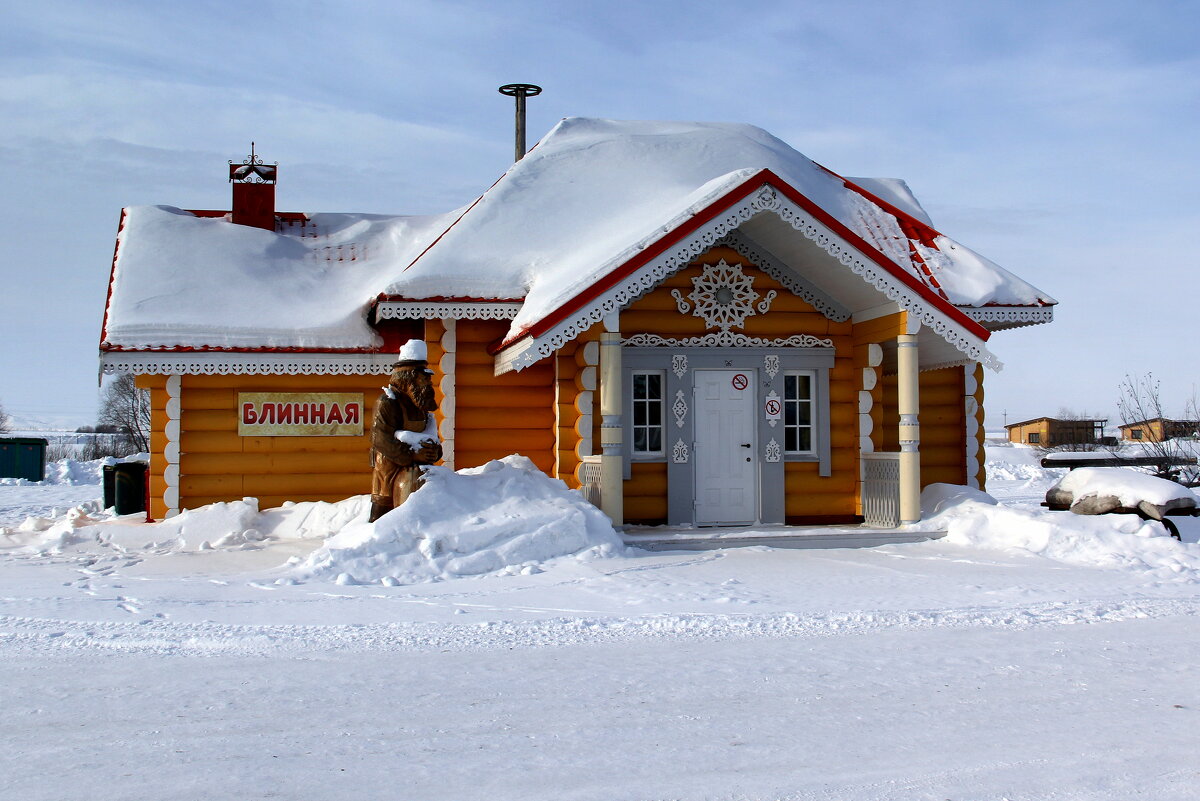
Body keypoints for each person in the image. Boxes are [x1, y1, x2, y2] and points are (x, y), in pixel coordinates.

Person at [369, 339, 442, 522]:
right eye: (423, 378)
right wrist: (412, 455)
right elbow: (380, 439)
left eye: (427, 378)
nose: (427, 383)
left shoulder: (420, 404)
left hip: (419, 473)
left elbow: (432, 436)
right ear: (408, 377)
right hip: (388, 472)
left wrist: (433, 451)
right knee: (382, 518)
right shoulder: (388, 402)